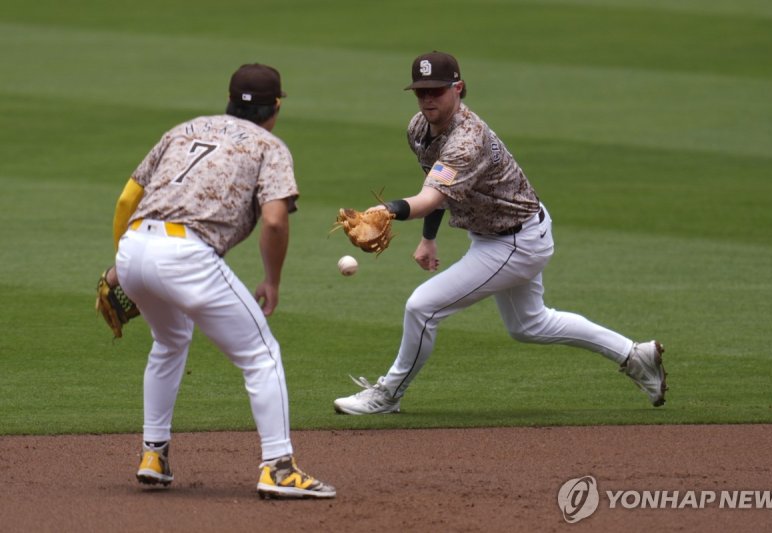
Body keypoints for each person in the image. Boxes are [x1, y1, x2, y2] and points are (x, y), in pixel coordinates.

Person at [333, 51, 667, 415]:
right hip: (506, 235)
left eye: (436, 91)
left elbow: (431, 197)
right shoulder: (419, 128)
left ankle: (388, 394)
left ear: (458, 88)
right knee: (530, 324)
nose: (428, 99)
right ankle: (636, 355)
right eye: (420, 92)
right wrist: (429, 237)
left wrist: (390, 210)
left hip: (514, 242)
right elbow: (436, 184)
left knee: (422, 307)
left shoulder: (467, 140)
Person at [108, 63, 335, 498]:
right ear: (277, 107)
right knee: (261, 353)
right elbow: (273, 221)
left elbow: (127, 198)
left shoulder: (184, 128)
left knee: (170, 341)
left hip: (134, 245)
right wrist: (272, 280)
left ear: (229, 98)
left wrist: (120, 262)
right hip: (185, 256)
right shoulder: (270, 145)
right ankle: (279, 467)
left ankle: (153, 455)